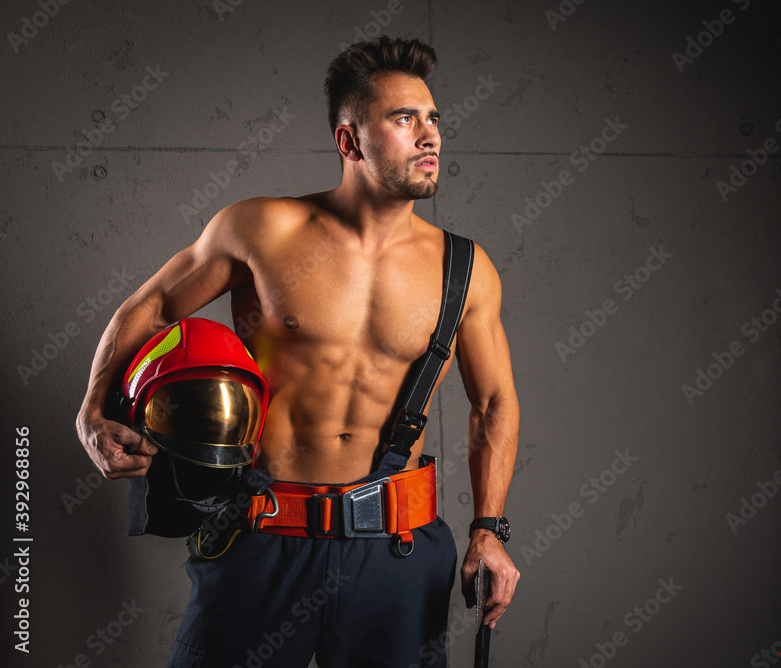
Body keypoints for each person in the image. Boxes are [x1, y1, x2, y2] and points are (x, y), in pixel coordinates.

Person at [74, 35, 520, 667]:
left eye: (433, 119)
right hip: (261, 541)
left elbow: (494, 402)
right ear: (349, 141)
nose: (430, 136)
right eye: (403, 119)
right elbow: (150, 307)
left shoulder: (466, 269)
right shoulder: (262, 229)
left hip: (393, 552)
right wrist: (92, 412)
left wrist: (490, 530)